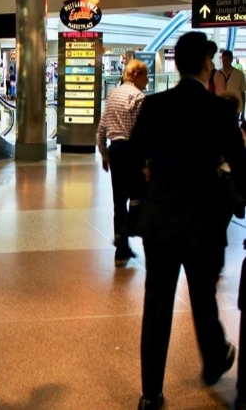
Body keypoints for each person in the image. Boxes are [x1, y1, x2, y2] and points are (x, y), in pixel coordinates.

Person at [130, 32, 246, 410]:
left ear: (177, 65)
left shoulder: (154, 105)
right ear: (206, 65)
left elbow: (132, 157)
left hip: (160, 218)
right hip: (204, 221)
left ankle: (151, 393)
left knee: (157, 302)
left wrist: (144, 188)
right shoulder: (220, 112)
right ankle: (214, 360)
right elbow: (241, 168)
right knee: (203, 296)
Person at [96, 59, 148, 266]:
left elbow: (102, 128)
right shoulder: (139, 97)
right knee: (139, 197)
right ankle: (127, 232)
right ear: (136, 75)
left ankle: (121, 247)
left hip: (115, 152)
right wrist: (146, 162)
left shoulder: (112, 94)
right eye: (145, 75)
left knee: (119, 201)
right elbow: (142, 133)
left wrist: (104, 154)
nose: (147, 80)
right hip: (132, 152)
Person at [215, 49, 246, 121]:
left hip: (236, 107)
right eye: (223, 61)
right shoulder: (218, 74)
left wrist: (243, 112)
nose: (224, 63)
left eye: (227, 61)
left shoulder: (239, 74)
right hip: (222, 107)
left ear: (231, 60)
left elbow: (243, 93)